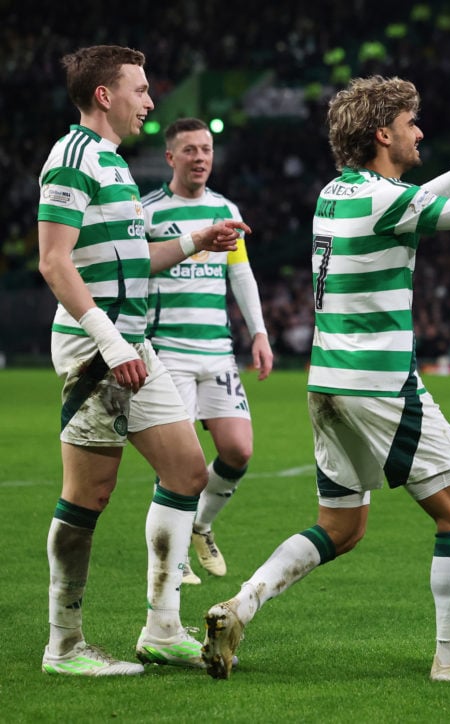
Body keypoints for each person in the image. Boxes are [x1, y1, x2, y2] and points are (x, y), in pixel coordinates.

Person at [201, 76, 450, 681]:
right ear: (382, 133)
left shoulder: (337, 193)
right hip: (381, 383)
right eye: (412, 122)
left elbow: (407, 206)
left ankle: (242, 604)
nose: (421, 132)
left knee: (341, 526)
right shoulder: (386, 201)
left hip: (328, 382)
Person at [36, 45, 250, 676]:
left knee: (188, 475)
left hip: (133, 343)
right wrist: (109, 342)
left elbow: (135, 262)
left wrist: (197, 240)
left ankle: (161, 628)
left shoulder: (113, 165)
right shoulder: (73, 157)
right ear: (105, 94)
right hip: (97, 350)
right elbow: (54, 261)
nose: (151, 102)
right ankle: (64, 645)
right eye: (141, 89)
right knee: (89, 495)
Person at [143, 118, 275, 585]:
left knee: (238, 450)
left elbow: (240, 274)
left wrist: (258, 332)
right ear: (171, 158)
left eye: (206, 149)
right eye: (190, 150)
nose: (200, 157)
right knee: (182, 464)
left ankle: (201, 526)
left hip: (217, 351)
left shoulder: (225, 208)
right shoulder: (149, 212)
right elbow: (137, 273)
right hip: (168, 353)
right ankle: (173, 559)